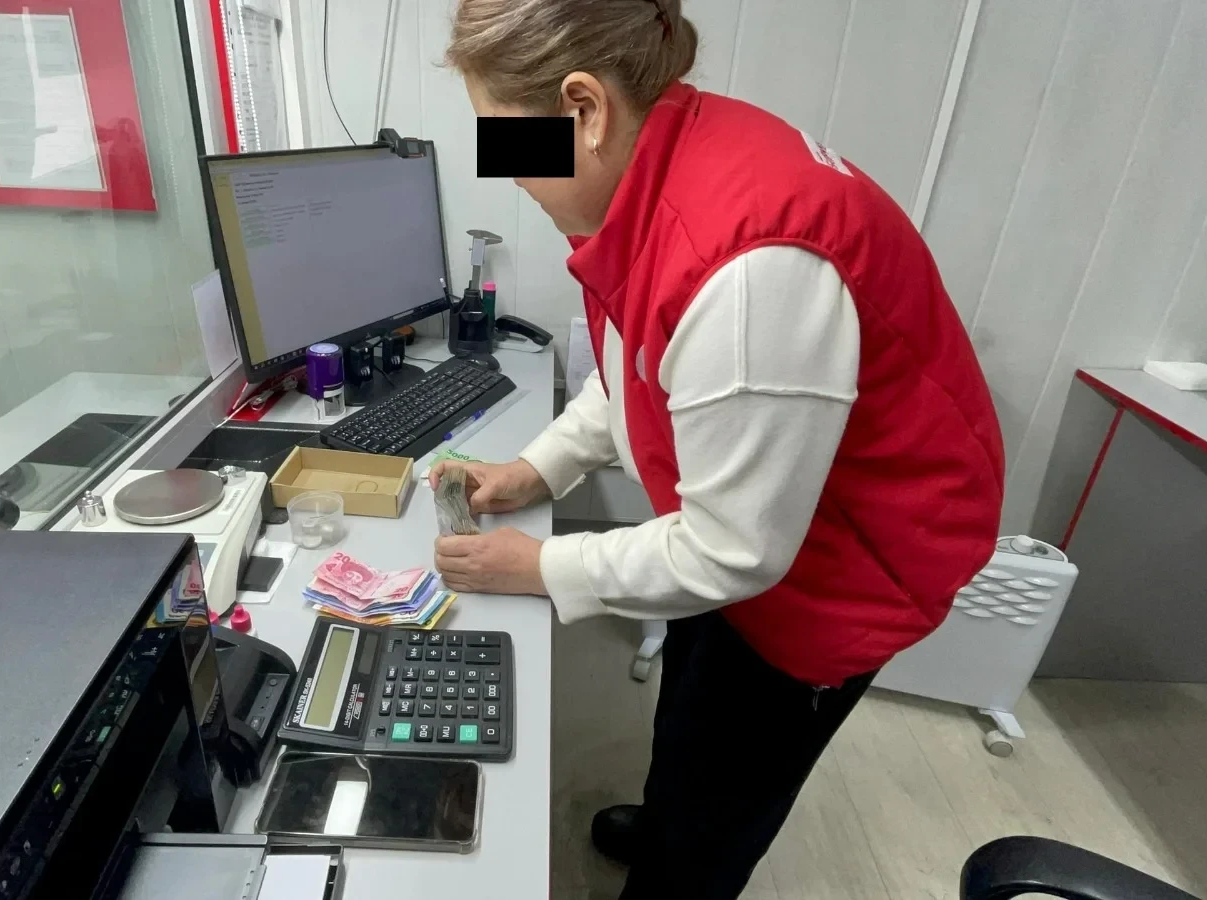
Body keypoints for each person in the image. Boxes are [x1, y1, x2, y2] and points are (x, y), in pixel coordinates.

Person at [430, 1, 1004, 897]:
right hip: (762, 523)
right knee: (693, 707)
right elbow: (642, 359)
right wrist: (540, 467)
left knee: (726, 788)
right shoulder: (670, 152)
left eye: (505, 140)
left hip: (843, 568)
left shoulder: (747, 265)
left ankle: (681, 860)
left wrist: (540, 567)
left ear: (584, 109)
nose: (509, 173)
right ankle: (671, 813)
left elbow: (734, 551)